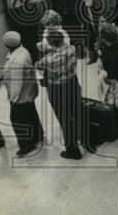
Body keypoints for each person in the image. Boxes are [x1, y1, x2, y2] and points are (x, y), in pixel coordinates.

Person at [34, 28, 84, 160]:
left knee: (64, 119)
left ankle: (73, 152)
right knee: (76, 112)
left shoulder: (48, 59)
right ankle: (82, 136)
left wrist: (47, 50)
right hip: (72, 83)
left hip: (57, 90)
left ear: (51, 44)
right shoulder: (71, 49)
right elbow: (62, 49)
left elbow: (38, 65)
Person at [0, 31, 44, 156]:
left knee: (17, 119)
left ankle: (26, 146)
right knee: (30, 113)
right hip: (28, 91)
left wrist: (13, 99)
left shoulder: (16, 61)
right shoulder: (23, 51)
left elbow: (16, 83)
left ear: (7, 44)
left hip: (21, 95)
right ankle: (38, 135)